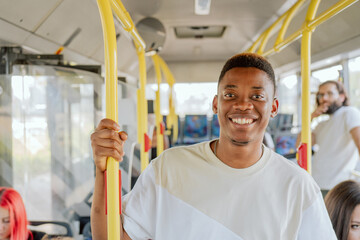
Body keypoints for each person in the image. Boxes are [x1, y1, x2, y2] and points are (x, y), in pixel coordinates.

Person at [90, 53, 336, 239]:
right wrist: (103, 169)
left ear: (273, 107)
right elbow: (111, 236)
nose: (243, 105)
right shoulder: (169, 168)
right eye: (231, 95)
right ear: (216, 104)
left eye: (257, 96)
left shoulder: (298, 187)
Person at [297, 80, 360, 197]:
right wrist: (310, 117)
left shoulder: (349, 113)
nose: (324, 98)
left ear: (342, 97)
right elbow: (299, 146)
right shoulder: (321, 124)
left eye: (330, 94)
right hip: (316, 184)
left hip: (338, 187)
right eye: (321, 95)